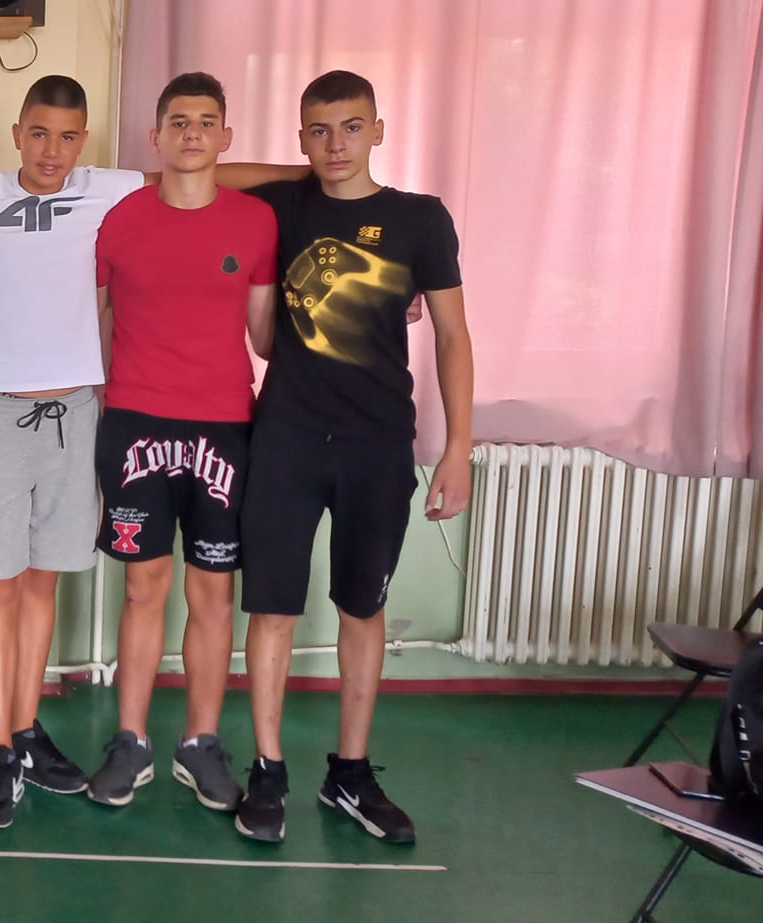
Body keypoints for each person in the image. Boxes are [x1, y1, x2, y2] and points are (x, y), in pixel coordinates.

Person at [233, 70, 474, 845]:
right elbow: (204, 171)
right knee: (271, 608)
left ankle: (351, 773)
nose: (336, 144)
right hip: (287, 437)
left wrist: (459, 447)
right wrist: (300, 168)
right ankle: (267, 769)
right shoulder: (284, 204)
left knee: (361, 608)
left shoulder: (420, 219)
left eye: (351, 127)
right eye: (319, 130)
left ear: (379, 129)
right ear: (300, 138)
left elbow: (453, 336)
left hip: (377, 442)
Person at [0, 75, 148, 827]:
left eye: (68, 136)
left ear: (84, 140)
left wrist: (306, 173)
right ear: (18, 133)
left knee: (42, 585)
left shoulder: (109, 191)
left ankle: (24, 730)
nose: (53, 150)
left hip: (74, 414)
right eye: (40, 133)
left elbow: (202, 175)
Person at [82, 73, 276, 815]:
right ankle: (130, 741)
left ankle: (200, 742)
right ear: (156, 136)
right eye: (179, 121)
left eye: (205, 121)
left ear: (225, 136)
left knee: (213, 592)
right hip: (136, 420)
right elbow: (94, 317)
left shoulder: (256, 221)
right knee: (143, 589)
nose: (192, 133)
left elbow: (265, 335)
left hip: (224, 425)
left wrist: (375, 310)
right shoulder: (119, 219)